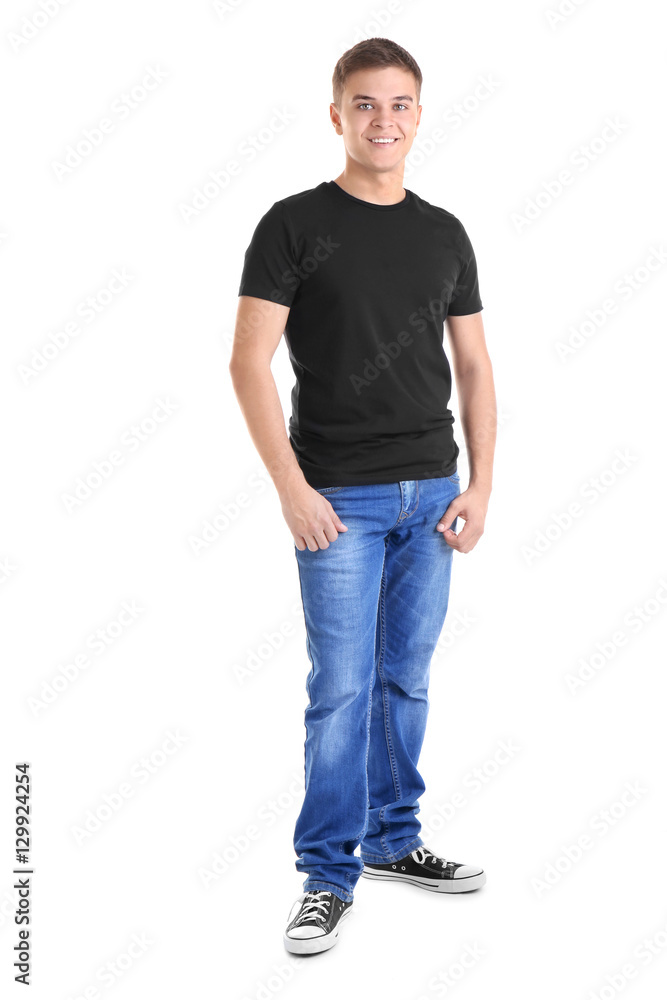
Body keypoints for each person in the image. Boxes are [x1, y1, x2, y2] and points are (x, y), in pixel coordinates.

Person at [230, 37, 496, 956]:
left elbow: (473, 365)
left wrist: (481, 485)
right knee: (338, 691)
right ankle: (325, 875)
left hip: (433, 493)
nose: (383, 120)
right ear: (335, 113)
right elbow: (246, 364)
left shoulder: (444, 232)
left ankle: (392, 840)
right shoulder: (293, 224)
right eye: (365, 104)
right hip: (337, 500)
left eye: (400, 104)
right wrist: (291, 488)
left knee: (404, 679)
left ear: (419, 115)